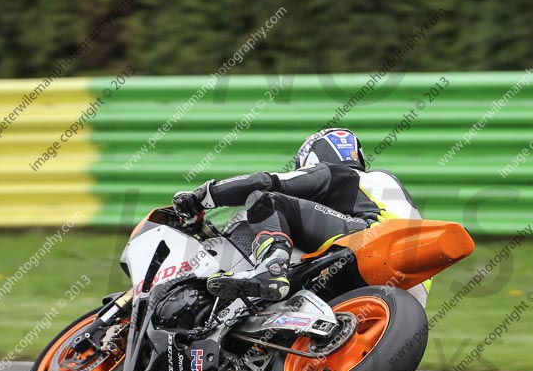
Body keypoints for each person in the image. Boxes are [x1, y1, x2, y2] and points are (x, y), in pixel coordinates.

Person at [172, 128, 418, 302]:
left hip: (373, 239)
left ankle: (272, 268)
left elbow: (265, 182)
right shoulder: (376, 187)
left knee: (265, 200)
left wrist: (203, 196)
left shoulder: (340, 175)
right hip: (408, 291)